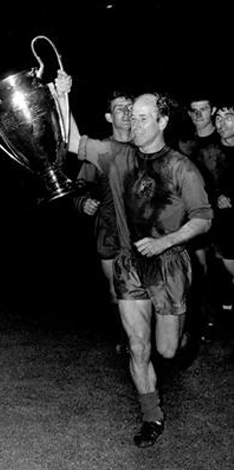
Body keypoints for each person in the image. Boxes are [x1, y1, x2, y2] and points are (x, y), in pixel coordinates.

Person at [66, 86, 212, 447]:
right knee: (138, 346)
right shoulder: (116, 156)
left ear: (161, 122)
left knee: (167, 350)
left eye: (143, 117)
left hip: (169, 264)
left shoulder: (181, 166)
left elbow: (203, 218)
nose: (134, 123)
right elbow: (71, 141)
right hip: (129, 263)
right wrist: (63, 93)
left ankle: (185, 327)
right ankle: (151, 415)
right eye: (132, 116)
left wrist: (165, 241)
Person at [72, 89, 133, 354]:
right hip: (109, 230)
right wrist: (82, 201)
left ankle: (143, 336)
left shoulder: (148, 145)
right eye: (120, 108)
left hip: (145, 231)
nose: (127, 112)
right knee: (116, 290)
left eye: (130, 106)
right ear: (109, 116)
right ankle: (126, 335)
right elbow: (78, 186)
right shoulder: (101, 150)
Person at [177, 94, 221, 341]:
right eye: (194, 110)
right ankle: (205, 317)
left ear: (212, 109)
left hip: (226, 214)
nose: (199, 115)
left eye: (203, 109)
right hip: (197, 214)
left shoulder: (224, 137)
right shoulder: (184, 143)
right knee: (200, 267)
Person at [196, 98, 234, 320]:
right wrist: (215, 196)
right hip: (225, 229)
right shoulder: (207, 152)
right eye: (218, 118)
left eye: (228, 117)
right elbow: (199, 186)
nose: (221, 123)